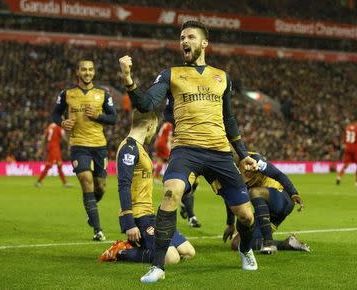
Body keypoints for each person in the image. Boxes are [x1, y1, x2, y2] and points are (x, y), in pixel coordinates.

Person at [119, 20, 258, 283]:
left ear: (204, 43)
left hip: (219, 152)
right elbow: (146, 103)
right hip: (186, 150)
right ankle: (158, 266)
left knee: (246, 216)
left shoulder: (222, 77)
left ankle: (246, 249)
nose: (185, 41)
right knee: (171, 193)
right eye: (182, 37)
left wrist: (243, 153)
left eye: (191, 37)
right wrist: (128, 80)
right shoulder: (170, 74)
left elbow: (230, 120)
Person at [99, 110, 195, 264]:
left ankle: (141, 246)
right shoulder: (128, 148)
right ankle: (120, 251)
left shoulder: (139, 147)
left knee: (189, 252)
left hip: (150, 214)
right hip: (138, 216)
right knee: (171, 258)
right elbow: (124, 185)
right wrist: (129, 223)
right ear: (150, 126)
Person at [52, 59, 117, 241]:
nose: (87, 72)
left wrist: (98, 116)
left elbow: (113, 118)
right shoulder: (67, 94)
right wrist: (62, 122)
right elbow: (55, 113)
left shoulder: (103, 94)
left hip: (99, 145)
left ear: (94, 72)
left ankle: (91, 209)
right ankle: (98, 229)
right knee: (86, 181)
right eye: (84, 70)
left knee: (100, 187)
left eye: (90, 70)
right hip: (78, 145)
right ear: (78, 72)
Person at [222, 151, 310, 254]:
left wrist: (293, 193)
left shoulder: (254, 159)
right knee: (238, 243)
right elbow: (232, 198)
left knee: (255, 192)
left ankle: (269, 243)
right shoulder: (230, 174)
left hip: (282, 198)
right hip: (265, 210)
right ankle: (287, 243)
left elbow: (278, 174)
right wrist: (230, 224)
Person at [35, 123, 73, 187]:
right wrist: (69, 144)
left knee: (59, 165)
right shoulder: (58, 127)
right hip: (55, 147)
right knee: (49, 165)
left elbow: (45, 138)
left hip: (51, 146)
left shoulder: (50, 126)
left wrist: (41, 148)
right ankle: (39, 181)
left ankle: (65, 183)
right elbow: (64, 137)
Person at [336, 113, 357, 187]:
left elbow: (344, 139)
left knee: (345, 164)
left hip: (348, 148)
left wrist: (346, 145)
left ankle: (339, 177)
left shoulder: (347, 128)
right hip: (355, 148)